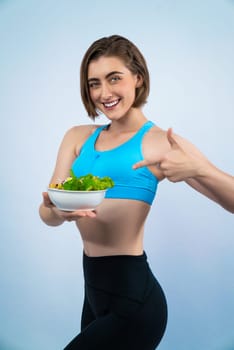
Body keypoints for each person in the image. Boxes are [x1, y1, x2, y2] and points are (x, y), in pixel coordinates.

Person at [39, 35, 234, 350]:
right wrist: (57, 212)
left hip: (135, 301)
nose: (104, 93)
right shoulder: (76, 137)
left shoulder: (160, 142)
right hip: (94, 294)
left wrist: (201, 170)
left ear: (138, 78)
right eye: (94, 83)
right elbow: (47, 212)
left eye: (114, 78)